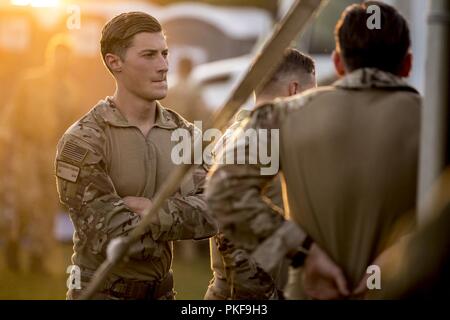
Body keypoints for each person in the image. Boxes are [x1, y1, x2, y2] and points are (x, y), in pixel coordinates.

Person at [206, 1, 420, 299]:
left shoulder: (282, 116)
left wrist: (304, 251)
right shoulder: (435, 123)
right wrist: (404, 260)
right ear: (408, 64)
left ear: (338, 63)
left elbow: (223, 190)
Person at [56, 12, 217, 300]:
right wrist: (176, 215)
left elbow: (215, 210)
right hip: (102, 293)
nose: (164, 66)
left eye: (165, 54)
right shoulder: (84, 138)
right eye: (149, 55)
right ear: (114, 62)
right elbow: (110, 232)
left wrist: (149, 208)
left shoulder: (185, 134)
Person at [205, 48, 322, 299]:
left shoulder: (235, 132)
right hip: (251, 294)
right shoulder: (265, 137)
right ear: (294, 90)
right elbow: (233, 225)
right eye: (311, 94)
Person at [0, 33, 81, 273]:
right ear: (50, 56)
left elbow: (73, 127)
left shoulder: (70, 90)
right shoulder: (31, 81)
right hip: (26, 149)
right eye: (58, 56)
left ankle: (37, 257)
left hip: (52, 153)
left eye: (66, 58)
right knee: (24, 202)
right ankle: (13, 246)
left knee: (46, 206)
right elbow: (11, 115)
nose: (61, 62)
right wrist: (9, 148)